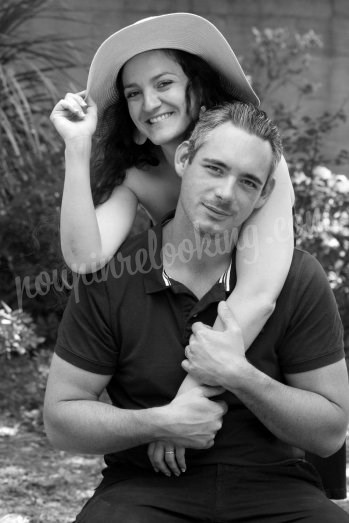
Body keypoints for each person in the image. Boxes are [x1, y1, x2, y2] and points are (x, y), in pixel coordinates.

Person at [44, 102, 349, 522]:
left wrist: (239, 376)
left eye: (247, 182)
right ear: (184, 159)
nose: (226, 193)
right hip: (143, 491)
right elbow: (61, 418)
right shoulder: (112, 277)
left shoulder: (296, 277)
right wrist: (160, 423)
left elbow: (330, 431)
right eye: (216, 168)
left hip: (276, 490)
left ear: (263, 196)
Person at [50, 13, 294, 396]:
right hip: (185, 332)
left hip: (272, 342)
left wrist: (188, 401)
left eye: (164, 83)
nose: (149, 103)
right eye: (133, 93)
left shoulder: (257, 162)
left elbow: (259, 296)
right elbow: (85, 257)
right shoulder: (138, 175)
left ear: (197, 89)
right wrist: (77, 146)